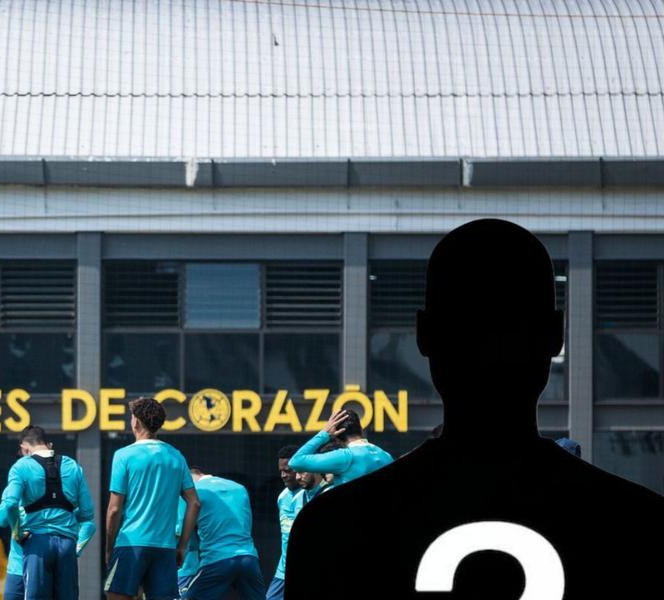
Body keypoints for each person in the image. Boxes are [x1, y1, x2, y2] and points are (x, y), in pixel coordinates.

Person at [286, 219, 664, 599]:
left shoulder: (333, 531)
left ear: (424, 335)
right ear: (555, 335)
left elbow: (303, 463)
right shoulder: (639, 529)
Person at [104, 397, 201, 600]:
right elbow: (194, 502)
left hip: (131, 544)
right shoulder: (176, 456)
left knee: (115, 595)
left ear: (136, 422)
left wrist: (109, 548)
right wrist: (182, 546)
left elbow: (114, 510)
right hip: (165, 548)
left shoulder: (124, 455)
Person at [0, 426, 95, 600]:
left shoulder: (21, 468)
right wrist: (72, 539)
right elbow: (88, 516)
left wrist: (17, 531)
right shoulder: (72, 465)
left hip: (35, 549)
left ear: (24, 448)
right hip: (66, 546)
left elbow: (5, 513)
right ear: (48, 445)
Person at [179, 467, 268, 599]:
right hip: (249, 559)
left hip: (217, 560)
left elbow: (179, 529)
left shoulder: (193, 492)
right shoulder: (239, 488)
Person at [287, 408, 393, 488]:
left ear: (337, 437)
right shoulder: (386, 456)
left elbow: (295, 462)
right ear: (360, 429)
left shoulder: (346, 456)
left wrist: (324, 434)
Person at [265, 445, 302, 600]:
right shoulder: (282, 497)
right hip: (282, 571)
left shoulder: (310, 494)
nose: (283, 475)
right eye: (281, 471)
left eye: (288, 470)